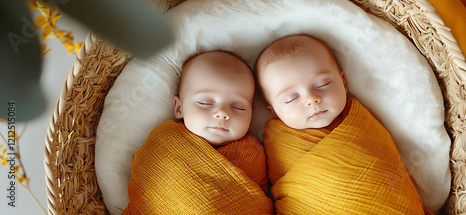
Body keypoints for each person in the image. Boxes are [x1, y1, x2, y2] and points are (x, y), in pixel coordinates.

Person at [255, 34, 430, 214]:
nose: (311, 100)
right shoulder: (278, 143)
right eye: (292, 98)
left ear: (344, 82)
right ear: (274, 112)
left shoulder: (361, 121)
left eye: (323, 84)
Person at [122, 51, 273, 215]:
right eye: (205, 102)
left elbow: (259, 200)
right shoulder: (166, 142)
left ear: (251, 114)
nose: (222, 113)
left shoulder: (253, 152)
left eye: (238, 107)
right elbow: (147, 183)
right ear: (179, 108)